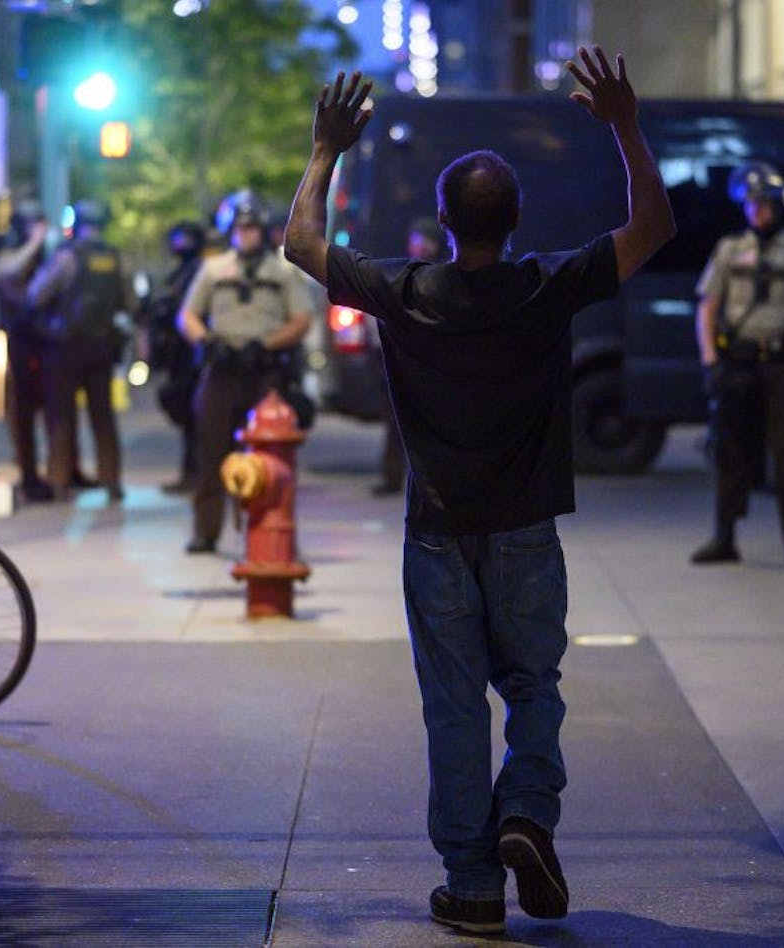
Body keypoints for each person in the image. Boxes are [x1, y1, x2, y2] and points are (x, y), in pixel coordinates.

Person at [283, 48, 674, 934]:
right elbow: (653, 226)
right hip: (527, 531)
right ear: (518, 218)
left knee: (453, 709)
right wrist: (624, 125)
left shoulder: (407, 291)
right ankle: (527, 812)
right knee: (535, 687)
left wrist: (326, 149)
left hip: (437, 535)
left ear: (443, 222)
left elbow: (301, 242)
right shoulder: (545, 287)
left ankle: (472, 888)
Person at [690, 162, 784, 567]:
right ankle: (724, 537)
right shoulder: (729, 250)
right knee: (728, 452)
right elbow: (708, 308)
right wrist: (710, 361)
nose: (757, 213)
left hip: (782, 363)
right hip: (738, 361)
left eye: (764, 205)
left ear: (779, 206)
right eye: (751, 205)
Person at [177, 192, 315, 554]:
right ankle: (205, 532)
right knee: (209, 457)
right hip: (221, 369)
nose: (246, 233)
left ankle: (271, 534)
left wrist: (269, 344)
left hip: (263, 372)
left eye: (252, 227)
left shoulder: (282, 272)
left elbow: (302, 319)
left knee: (269, 460)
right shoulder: (214, 269)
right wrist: (205, 342)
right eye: (240, 227)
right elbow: (187, 315)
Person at [27, 199, 128, 503]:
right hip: (102, 346)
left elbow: (36, 294)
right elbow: (129, 300)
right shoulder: (114, 258)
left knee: (61, 417)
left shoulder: (67, 257)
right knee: (103, 417)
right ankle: (111, 481)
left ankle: (60, 481)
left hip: (65, 347)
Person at [370, 217, 446, 497]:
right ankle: (392, 477)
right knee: (395, 427)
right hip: (401, 362)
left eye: (426, 239)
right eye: (417, 239)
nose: (421, 245)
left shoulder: (443, 276)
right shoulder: (401, 274)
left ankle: (431, 484)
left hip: (431, 365)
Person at [0, 198, 53, 502]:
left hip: (45, 339)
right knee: (23, 410)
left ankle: (56, 474)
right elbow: (8, 272)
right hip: (19, 338)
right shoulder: (10, 246)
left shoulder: (43, 251)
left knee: (51, 409)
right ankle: (29, 474)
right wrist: (35, 241)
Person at [147, 220, 208, 494]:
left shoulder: (200, 272)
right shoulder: (181, 273)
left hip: (194, 355)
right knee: (186, 415)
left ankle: (198, 474)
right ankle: (191, 473)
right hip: (178, 354)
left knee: (197, 418)